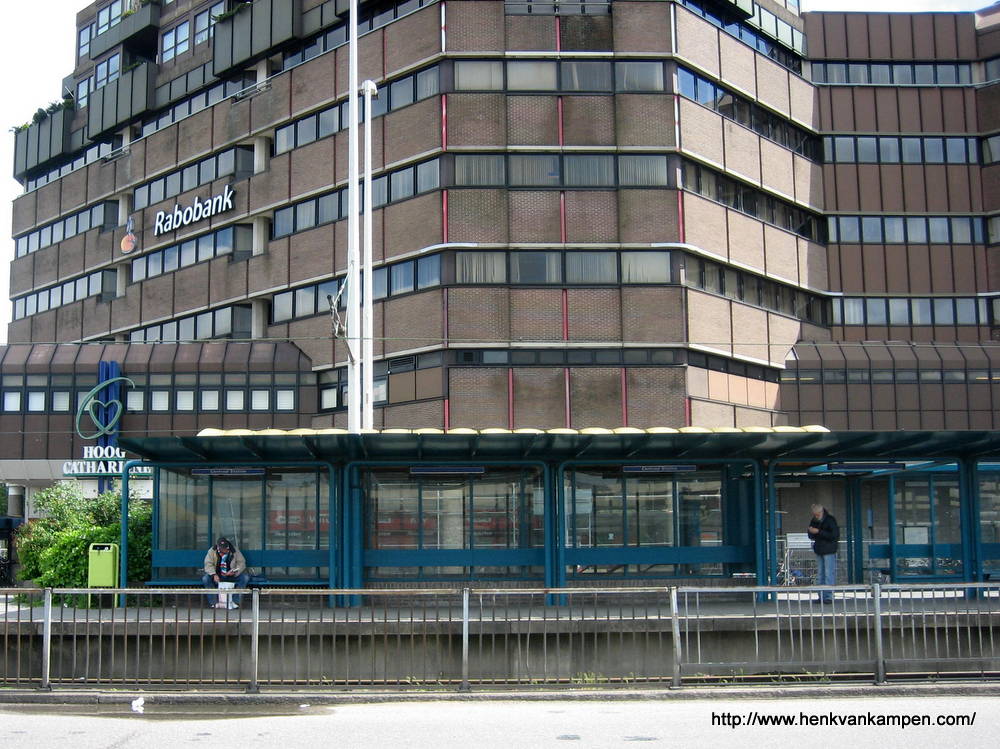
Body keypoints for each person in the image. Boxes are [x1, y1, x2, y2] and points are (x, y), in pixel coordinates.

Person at [202, 537, 250, 608]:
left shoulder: (234, 550)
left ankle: (236, 601)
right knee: (205, 579)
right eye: (221, 548)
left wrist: (234, 571)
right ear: (218, 547)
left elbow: (241, 563)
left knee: (245, 578)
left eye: (225, 547)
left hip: (231, 575)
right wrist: (213, 574)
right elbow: (208, 564)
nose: (223, 549)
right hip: (218, 575)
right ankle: (213, 602)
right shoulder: (212, 551)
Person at [808, 504, 839, 603]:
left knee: (828, 573)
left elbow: (834, 535)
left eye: (817, 514)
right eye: (814, 514)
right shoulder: (814, 520)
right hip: (819, 549)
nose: (816, 516)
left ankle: (828, 596)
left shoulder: (830, 520)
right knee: (820, 574)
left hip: (829, 550)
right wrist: (812, 532)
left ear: (821, 512)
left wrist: (818, 531)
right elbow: (810, 535)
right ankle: (821, 596)